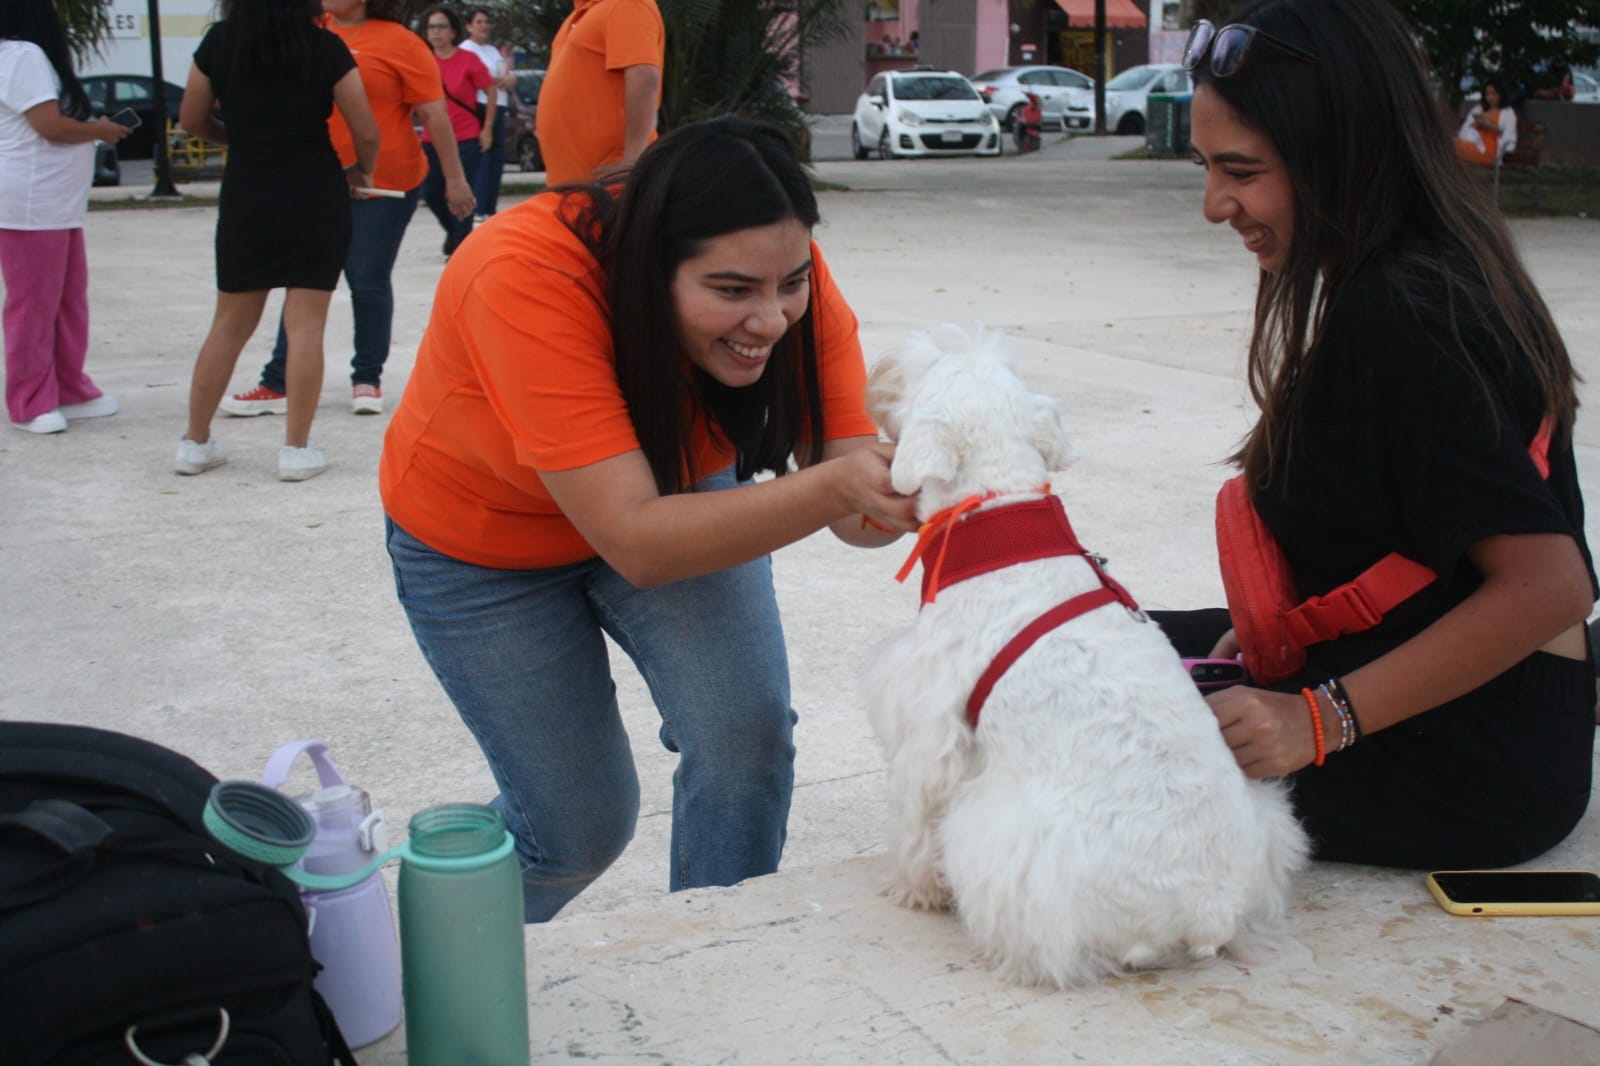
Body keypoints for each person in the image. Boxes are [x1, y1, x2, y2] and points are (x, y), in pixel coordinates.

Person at [379, 116, 919, 921]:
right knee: (574, 830)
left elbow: (858, 515)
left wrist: (930, 471)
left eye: (791, 285)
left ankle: (721, 957)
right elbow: (636, 540)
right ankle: (402, 952)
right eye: (730, 292)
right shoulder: (522, 270)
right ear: (647, 268)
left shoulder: (774, 266)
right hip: (482, 544)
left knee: (746, 738)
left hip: (674, 494)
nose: (769, 319)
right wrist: (842, 486)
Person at [1172, 0, 1594, 872]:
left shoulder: (1404, 315)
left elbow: (1551, 586)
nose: (1216, 205)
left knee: (1058, 718)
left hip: (1470, 764)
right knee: (1088, 642)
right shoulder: (1432, 266)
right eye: (1206, 167)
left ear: (1341, 153)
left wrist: (1313, 721)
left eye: (1241, 171)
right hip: (1488, 704)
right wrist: (1259, 638)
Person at [219, 0, 474, 421]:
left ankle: (367, 377)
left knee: (367, 279)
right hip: (314, 180)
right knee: (299, 281)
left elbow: (434, 113)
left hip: (384, 181)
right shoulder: (306, 29)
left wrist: (456, 178)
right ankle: (277, 382)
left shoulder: (401, 42)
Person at [175, 0, 380, 480]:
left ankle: (195, 442)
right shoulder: (325, 47)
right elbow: (365, 131)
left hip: (247, 194)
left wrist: (242, 138)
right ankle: (295, 450)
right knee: (306, 324)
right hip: (315, 192)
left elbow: (191, 119)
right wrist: (363, 171)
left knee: (228, 323)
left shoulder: (219, 43)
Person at [0, 0, 132, 435]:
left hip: (55, 203)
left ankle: (69, 387)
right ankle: (28, 401)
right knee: (34, 304)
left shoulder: (24, 55)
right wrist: (101, 131)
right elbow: (49, 126)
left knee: (67, 299)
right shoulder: (23, 54)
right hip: (31, 203)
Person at [536, 0, 664, 186]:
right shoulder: (582, 14)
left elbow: (644, 76)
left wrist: (635, 158)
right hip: (579, 186)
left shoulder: (627, 4)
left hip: (611, 182)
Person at [417, 4, 492, 257]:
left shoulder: (468, 59)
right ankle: (454, 231)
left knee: (462, 192)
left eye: (441, 26)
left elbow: (491, 90)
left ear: (452, 31)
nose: (435, 32)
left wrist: (488, 128)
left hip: (466, 137)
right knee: (432, 192)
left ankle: (461, 246)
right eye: (431, 27)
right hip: (432, 139)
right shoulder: (422, 61)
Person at [460, 7, 517, 220]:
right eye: (478, 22)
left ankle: (490, 207)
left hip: (500, 104)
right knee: (483, 157)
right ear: (468, 26)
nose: (484, 26)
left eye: (486, 22)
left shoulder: (493, 51)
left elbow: (505, 74)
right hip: (480, 106)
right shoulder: (466, 49)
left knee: (497, 159)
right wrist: (493, 82)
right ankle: (478, 206)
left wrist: (511, 79)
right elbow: (469, 79)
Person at [1453, 77, 1517, 167]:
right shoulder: (1479, 109)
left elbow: (1510, 137)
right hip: (1472, 143)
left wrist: (1491, 126)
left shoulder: (1507, 113)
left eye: (1493, 94)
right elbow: (1464, 132)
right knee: (1448, 144)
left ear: (1501, 94)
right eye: (1487, 94)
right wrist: (1475, 125)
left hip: (1489, 151)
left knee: (1450, 146)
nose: (1490, 97)